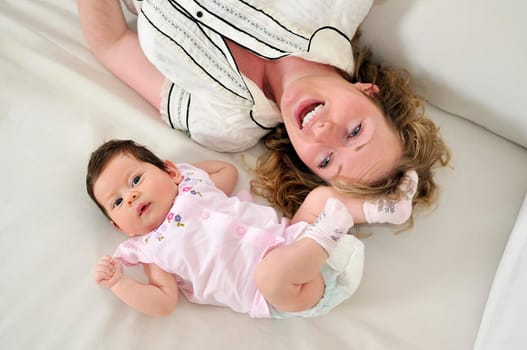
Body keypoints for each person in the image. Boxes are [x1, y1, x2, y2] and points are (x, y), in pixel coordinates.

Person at [78, 0, 449, 219]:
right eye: (355, 132)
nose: (322, 133)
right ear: (370, 93)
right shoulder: (336, 8)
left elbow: (111, 42)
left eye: (325, 161)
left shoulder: (224, 124)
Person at [87, 139, 418, 318]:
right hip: (286, 293)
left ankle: (385, 209)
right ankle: (331, 229)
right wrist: (120, 284)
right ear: (121, 228)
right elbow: (163, 303)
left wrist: (182, 174)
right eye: (116, 203)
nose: (130, 197)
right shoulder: (150, 250)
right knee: (269, 273)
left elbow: (226, 171)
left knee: (320, 196)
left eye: (136, 180)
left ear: (170, 171)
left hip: (292, 236)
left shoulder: (192, 184)